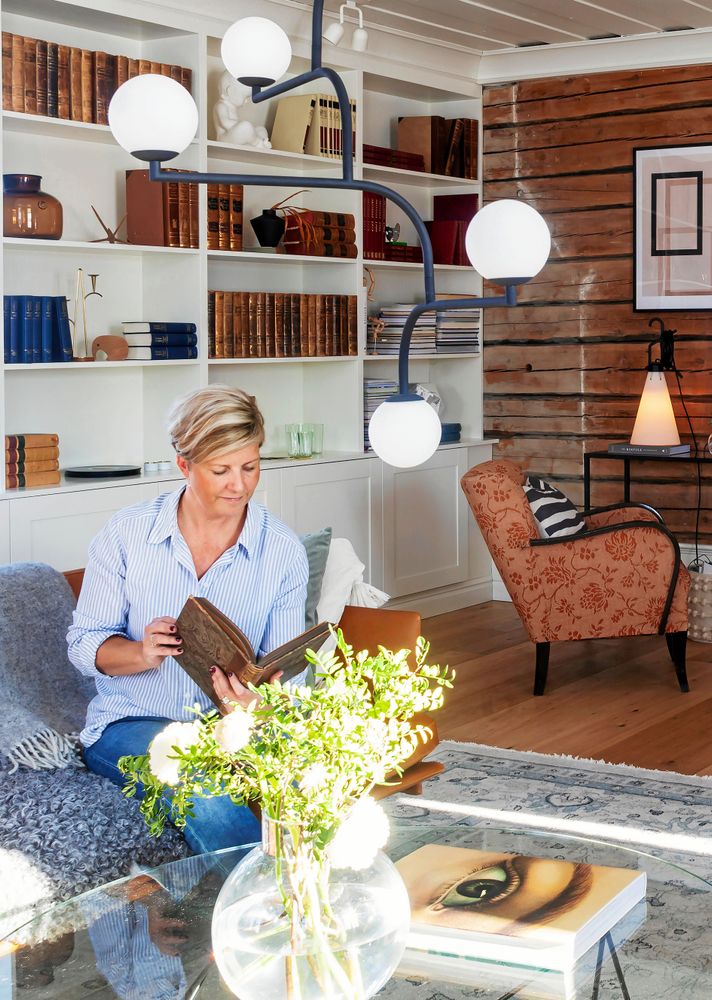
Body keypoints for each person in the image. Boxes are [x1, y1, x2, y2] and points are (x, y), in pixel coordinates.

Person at [67, 385, 309, 854]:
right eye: (221, 470)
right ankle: (267, 896)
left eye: (250, 467)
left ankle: (316, 888)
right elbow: (83, 646)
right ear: (184, 465)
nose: (239, 485)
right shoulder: (126, 534)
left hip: (236, 727)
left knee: (305, 789)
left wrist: (254, 703)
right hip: (130, 723)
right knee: (201, 783)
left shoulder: (282, 551)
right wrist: (141, 652)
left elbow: (288, 677)